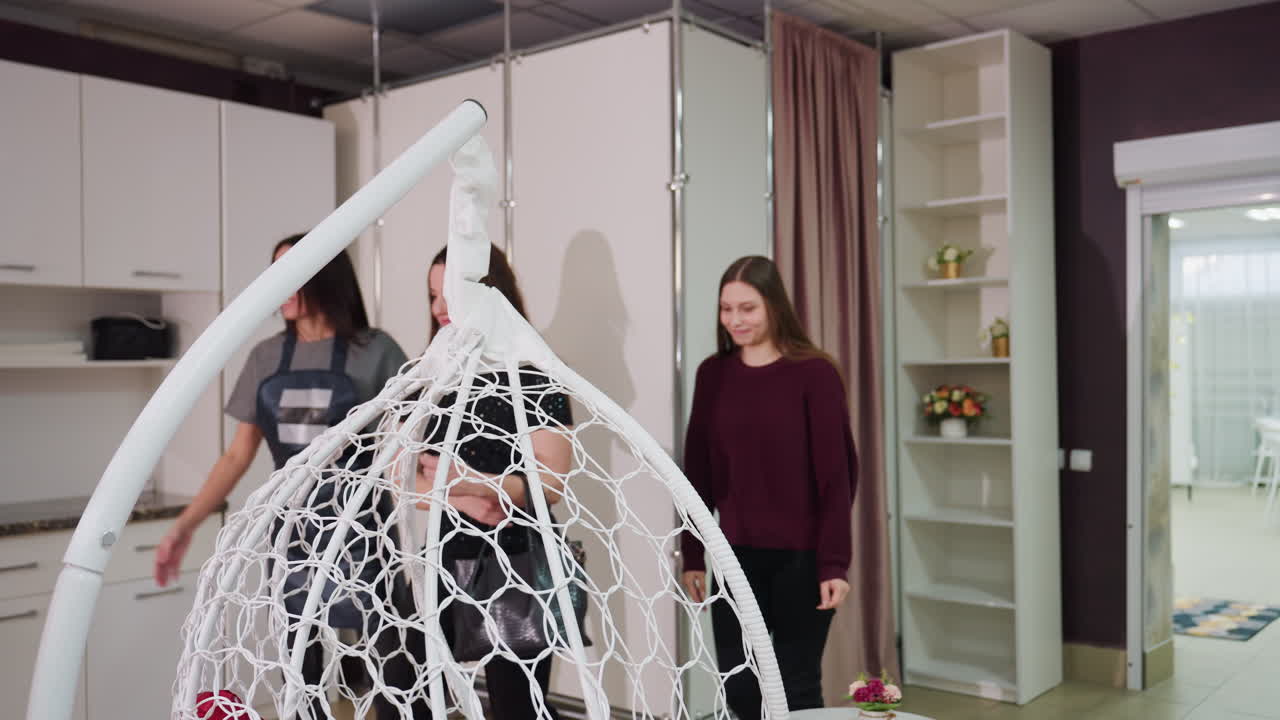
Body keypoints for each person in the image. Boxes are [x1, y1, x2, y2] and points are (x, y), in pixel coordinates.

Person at [153, 233, 410, 718]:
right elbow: (236, 457)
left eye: (292, 273)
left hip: (363, 528)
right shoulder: (265, 357)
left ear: (326, 275)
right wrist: (184, 526)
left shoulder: (377, 351)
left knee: (388, 659)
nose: (279, 286)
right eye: (275, 274)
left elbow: (412, 445)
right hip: (293, 530)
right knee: (299, 665)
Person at [381, 243, 575, 720]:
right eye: (432, 295)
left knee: (517, 706)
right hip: (442, 557)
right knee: (402, 692)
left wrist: (475, 482)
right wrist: (466, 494)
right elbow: (400, 480)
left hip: (518, 561)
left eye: (448, 294)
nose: (438, 308)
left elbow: (550, 484)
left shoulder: (534, 377)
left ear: (490, 293)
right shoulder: (428, 379)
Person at [680, 255, 857, 718]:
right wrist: (693, 554)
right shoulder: (712, 374)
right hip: (735, 557)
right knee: (740, 689)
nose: (735, 320)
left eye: (748, 308)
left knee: (797, 689)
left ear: (774, 306)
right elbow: (697, 471)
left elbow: (836, 477)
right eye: (726, 309)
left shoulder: (814, 374)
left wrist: (834, 563)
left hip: (803, 560)